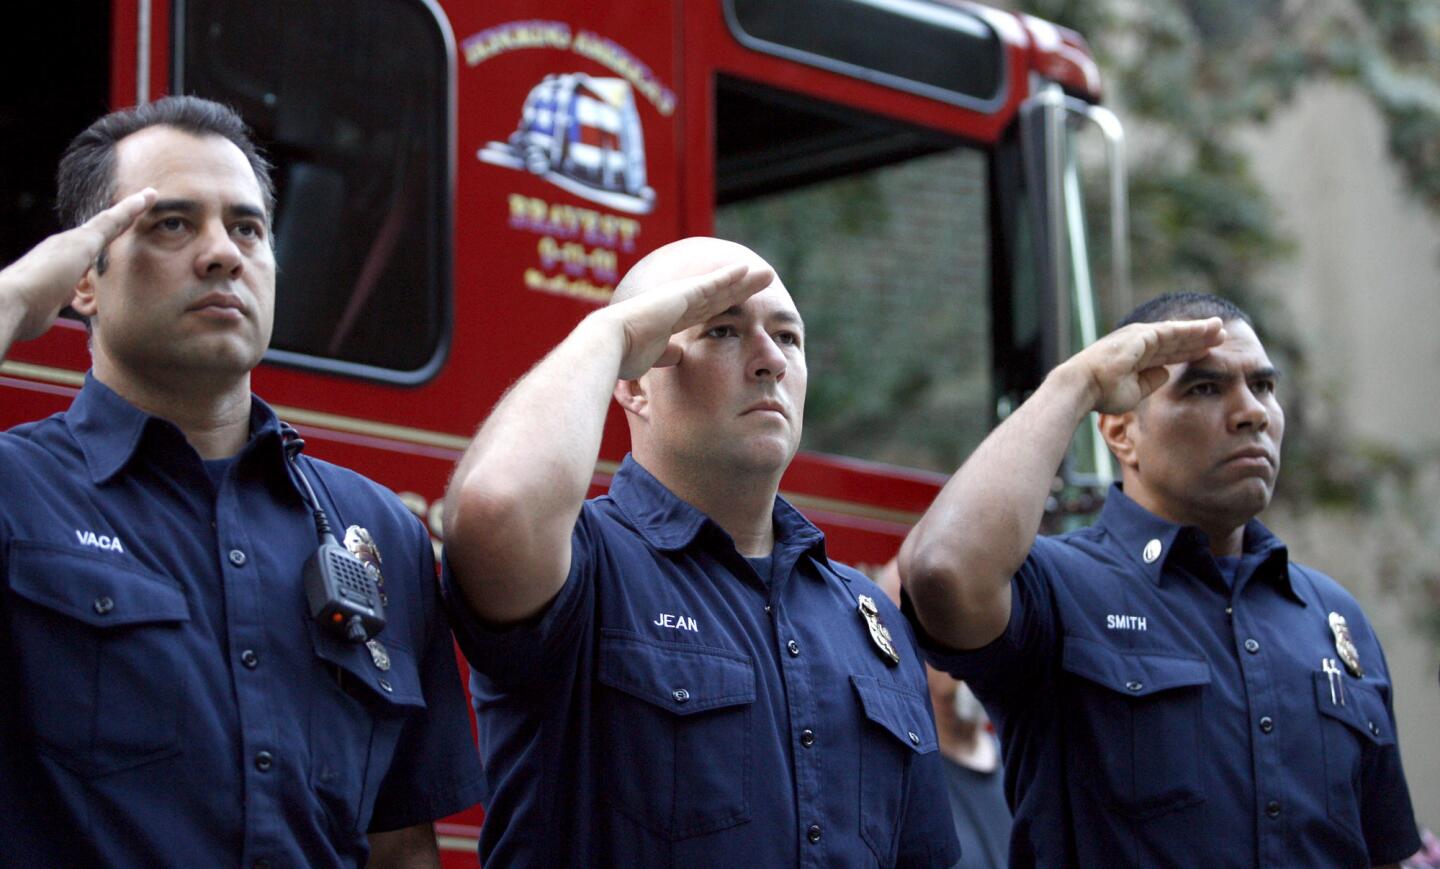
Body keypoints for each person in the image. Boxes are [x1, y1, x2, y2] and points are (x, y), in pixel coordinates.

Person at [0, 96, 484, 867]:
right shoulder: (16, 492)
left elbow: (402, 847)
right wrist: (19, 295)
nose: (223, 252)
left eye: (248, 228)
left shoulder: (378, 530)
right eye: (172, 224)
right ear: (82, 278)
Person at [440, 236, 961, 867]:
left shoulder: (867, 617)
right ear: (634, 386)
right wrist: (610, 334)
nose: (771, 360)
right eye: (722, 332)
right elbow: (495, 505)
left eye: (789, 338)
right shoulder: (585, 568)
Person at [900, 292, 1421, 867]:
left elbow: (1386, 853)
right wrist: (1076, 383)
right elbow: (940, 569)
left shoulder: (1334, 620)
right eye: (1204, 387)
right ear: (1121, 433)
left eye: (1264, 387)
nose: (1252, 412)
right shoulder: (1059, 588)